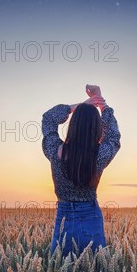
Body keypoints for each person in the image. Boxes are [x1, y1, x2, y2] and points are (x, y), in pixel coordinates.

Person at [42, 84, 121, 260]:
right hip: (91, 216)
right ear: (97, 128)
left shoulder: (55, 150)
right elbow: (114, 136)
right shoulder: (100, 155)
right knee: (94, 271)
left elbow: (48, 118)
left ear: (73, 125)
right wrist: (101, 104)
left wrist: (79, 106)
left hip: (63, 217)